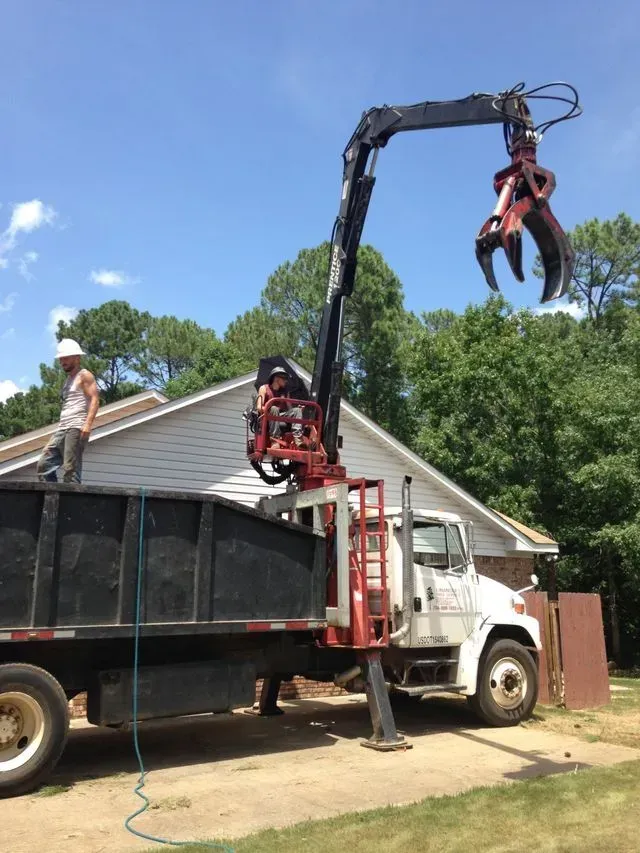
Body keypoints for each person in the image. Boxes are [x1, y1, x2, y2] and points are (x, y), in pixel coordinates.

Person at [36, 339, 100, 484]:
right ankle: (53, 498)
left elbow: (95, 400)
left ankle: (68, 502)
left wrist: (87, 426)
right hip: (62, 428)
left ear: (77, 358)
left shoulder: (84, 375)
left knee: (71, 469)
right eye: (61, 358)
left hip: (76, 427)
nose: (62, 361)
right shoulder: (68, 380)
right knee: (44, 465)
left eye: (65, 358)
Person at [256, 366, 304, 446]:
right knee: (274, 409)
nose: (286, 381)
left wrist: (298, 412)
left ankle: (298, 438)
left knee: (296, 410)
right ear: (276, 378)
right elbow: (259, 407)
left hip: (280, 415)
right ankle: (275, 439)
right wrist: (270, 409)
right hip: (267, 417)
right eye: (284, 378)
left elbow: (290, 409)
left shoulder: (285, 392)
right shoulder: (264, 388)